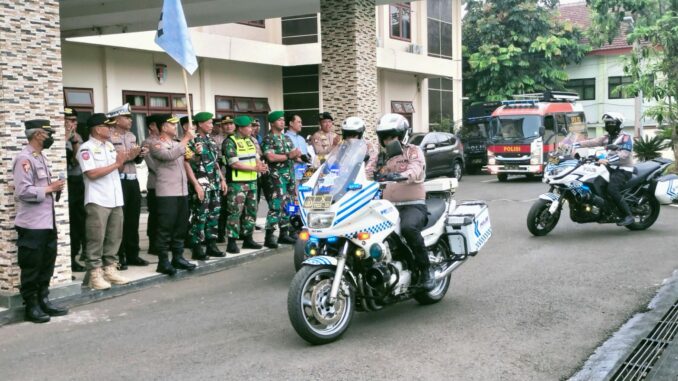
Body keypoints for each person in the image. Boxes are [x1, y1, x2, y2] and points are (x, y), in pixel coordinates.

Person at [13, 119, 69, 323]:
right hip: (32, 225)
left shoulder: (40, 157)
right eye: (48, 133)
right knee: (32, 267)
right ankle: (32, 305)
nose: (50, 137)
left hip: (47, 222)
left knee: (46, 264)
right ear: (38, 135)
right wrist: (49, 188)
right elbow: (22, 191)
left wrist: (54, 187)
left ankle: (44, 300)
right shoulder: (24, 159)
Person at [375, 113, 434, 291]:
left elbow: (416, 169)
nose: (388, 141)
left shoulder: (413, 151)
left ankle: (426, 271)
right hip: (386, 206)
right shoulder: (381, 157)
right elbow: (368, 173)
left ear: (402, 136)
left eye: (392, 136)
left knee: (409, 228)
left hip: (412, 204)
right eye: (385, 137)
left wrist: (402, 175)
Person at [77, 113, 129, 290]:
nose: (111, 129)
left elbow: (118, 168)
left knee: (114, 236)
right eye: (108, 126)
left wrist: (125, 159)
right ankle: (94, 274)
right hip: (98, 199)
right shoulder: (86, 148)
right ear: (98, 129)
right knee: (95, 238)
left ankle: (110, 269)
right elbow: (91, 173)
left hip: (115, 198)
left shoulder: (109, 146)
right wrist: (117, 164)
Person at [149, 114, 197, 275]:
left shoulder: (177, 143)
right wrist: (186, 139)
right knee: (165, 228)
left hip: (182, 190)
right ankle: (163, 261)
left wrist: (194, 152)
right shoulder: (156, 144)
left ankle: (178, 257)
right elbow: (168, 156)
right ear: (163, 127)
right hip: (167, 192)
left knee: (180, 226)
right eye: (172, 124)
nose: (175, 127)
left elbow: (187, 160)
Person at [107, 104, 149, 270]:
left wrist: (139, 156)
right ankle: (120, 255)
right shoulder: (110, 136)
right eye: (126, 117)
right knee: (119, 220)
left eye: (130, 118)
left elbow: (134, 159)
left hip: (133, 179)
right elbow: (113, 161)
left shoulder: (131, 135)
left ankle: (133, 253)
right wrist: (128, 157)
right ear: (116, 120)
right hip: (118, 180)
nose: (130, 120)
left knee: (133, 219)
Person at [575, 112, 635, 226]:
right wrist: (575, 145)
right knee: (595, 184)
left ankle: (629, 215)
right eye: (607, 123)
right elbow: (593, 142)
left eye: (612, 123)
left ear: (619, 124)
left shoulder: (626, 138)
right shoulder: (608, 137)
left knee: (612, 189)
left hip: (623, 169)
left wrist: (608, 160)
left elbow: (624, 154)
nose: (609, 126)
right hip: (609, 168)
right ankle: (605, 208)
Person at [185, 112, 228, 259]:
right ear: (200, 124)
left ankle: (211, 244)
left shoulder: (211, 140)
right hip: (201, 183)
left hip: (214, 183)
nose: (211, 126)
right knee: (199, 216)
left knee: (214, 215)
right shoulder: (191, 140)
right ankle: (196, 247)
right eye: (208, 123)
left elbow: (215, 162)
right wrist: (196, 185)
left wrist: (222, 179)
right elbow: (187, 164)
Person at [222, 115, 268, 253]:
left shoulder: (250, 141)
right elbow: (233, 163)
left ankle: (248, 238)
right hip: (237, 183)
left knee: (251, 211)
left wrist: (260, 166)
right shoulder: (230, 141)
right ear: (240, 128)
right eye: (248, 126)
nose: (251, 129)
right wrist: (255, 168)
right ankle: (232, 241)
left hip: (252, 182)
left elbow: (256, 157)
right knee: (235, 213)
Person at [261, 110, 301, 248]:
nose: (283, 122)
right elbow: (270, 157)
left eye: (283, 120)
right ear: (272, 123)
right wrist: (289, 156)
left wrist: (297, 156)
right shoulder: (268, 138)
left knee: (289, 204)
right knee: (276, 205)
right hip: (276, 176)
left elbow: (292, 156)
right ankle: (269, 235)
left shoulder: (287, 138)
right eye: (279, 120)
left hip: (289, 175)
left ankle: (285, 232)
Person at [64, 108, 86, 272]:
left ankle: (76, 255)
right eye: (70, 120)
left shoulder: (78, 137)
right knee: (69, 223)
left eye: (75, 121)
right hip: (66, 184)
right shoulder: (56, 139)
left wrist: (75, 141)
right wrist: (67, 138)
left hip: (79, 182)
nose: (73, 124)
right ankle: (68, 259)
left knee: (79, 222)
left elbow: (78, 161)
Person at [143, 114, 161, 255]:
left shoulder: (166, 140)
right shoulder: (147, 142)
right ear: (151, 126)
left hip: (168, 185)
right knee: (155, 214)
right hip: (155, 183)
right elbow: (153, 165)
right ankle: (153, 244)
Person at [216, 115, 234, 243]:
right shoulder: (216, 140)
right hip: (221, 176)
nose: (228, 126)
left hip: (236, 177)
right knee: (222, 207)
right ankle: (220, 233)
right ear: (221, 126)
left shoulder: (239, 139)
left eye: (231, 123)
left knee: (234, 208)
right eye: (225, 124)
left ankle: (235, 233)